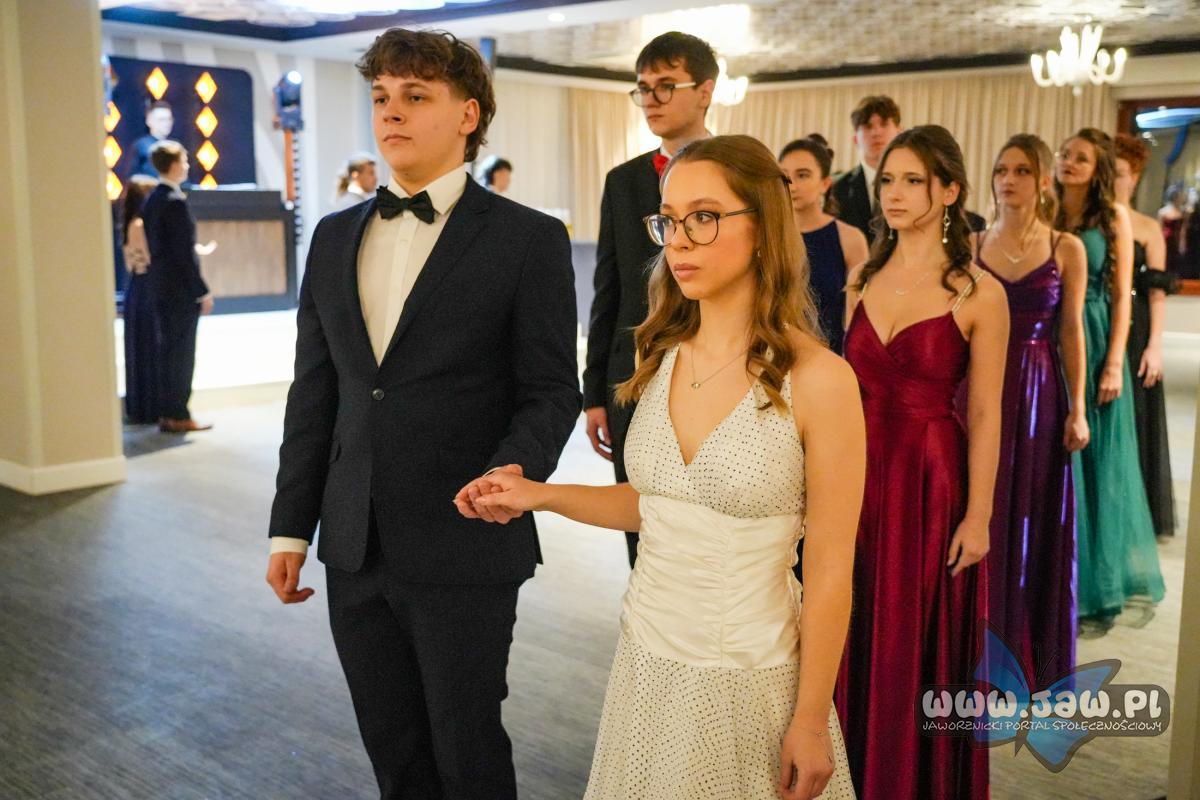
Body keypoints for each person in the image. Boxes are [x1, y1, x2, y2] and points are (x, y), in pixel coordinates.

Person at [461, 134, 861, 800]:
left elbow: (829, 570)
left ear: (763, 226)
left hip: (749, 678)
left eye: (704, 217)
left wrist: (812, 719)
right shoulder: (662, 355)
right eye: (670, 220)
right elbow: (657, 505)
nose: (679, 241)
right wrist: (538, 494)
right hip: (646, 663)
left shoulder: (820, 379)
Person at [265, 29, 580, 800]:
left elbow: (550, 388)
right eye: (381, 97)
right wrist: (290, 527)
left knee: (467, 747)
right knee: (392, 748)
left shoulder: (529, 239)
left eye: (415, 96)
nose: (391, 113)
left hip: (464, 537)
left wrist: (513, 471)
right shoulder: (332, 238)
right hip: (353, 540)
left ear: (468, 114)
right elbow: (316, 393)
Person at [837, 125, 1007, 800]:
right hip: (856, 474)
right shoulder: (861, 279)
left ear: (950, 191)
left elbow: (986, 412)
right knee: (849, 622)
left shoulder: (978, 292)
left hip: (931, 481)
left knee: (916, 636)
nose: (895, 193)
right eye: (888, 180)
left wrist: (980, 516)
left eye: (913, 180)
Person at [583, 31, 718, 568]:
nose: (652, 100)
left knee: (705, 522)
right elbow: (608, 288)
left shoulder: (739, 171)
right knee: (639, 524)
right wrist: (595, 391)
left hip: (713, 368)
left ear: (705, 91)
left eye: (666, 85)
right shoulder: (623, 181)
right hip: (633, 374)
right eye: (643, 88)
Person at [975, 134, 1088, 684]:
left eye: (1021, 170)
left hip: (1041, 390)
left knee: (1037, 516)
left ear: (1043, 179)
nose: (1008, 180)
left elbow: (1071, 332)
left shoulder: (1067, 247)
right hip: (982, 386)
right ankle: (979, 641)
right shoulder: (971, 244)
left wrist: (1079, 406)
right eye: (1002, 170)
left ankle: (1031, 652)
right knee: (986, 509)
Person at [1055, 128, 1165, 630]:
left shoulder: (1113, 216)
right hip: (1054, 336)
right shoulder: (1046, 212)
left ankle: (1096, 580)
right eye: (1064, 154)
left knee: (1098, 460)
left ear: (1097, 168)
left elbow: (1123, 295)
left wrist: (1115, 361)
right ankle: (1058, 570)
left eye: (1080, 157)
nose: (1069, 162)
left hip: (1098, 337)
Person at [1115, 134, 1178, 539]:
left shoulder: (1148, 227)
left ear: (1135, 177)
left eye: (1120, 173)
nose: (1113, 180)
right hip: (1099, 319)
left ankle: (1133, 510)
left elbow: (1157, 294)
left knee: (1136, 413)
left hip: (1136, 327)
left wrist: (1155, 346)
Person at [140, 141, 214, 433]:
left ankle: (168, 413)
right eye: (183, 161)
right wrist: (202, 290)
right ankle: (180, 414)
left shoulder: (153, 199)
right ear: (172, 165)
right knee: (182, 354)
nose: (186, 166)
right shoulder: (174, 202)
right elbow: (183, 255)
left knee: (168, 351)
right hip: (180, 291)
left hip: (160, 286)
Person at [778, 134, 869, 354]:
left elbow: (860, 315)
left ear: (825, 183)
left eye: (803, 175)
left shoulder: (850, 238)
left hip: (831, 354)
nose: (792, 185)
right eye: (785, 176)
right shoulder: (766, 236)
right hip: (774, 353)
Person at [120, 174, 162, 425]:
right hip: (145, 286)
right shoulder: (139, 225)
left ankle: (142, 406)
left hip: (137, 286)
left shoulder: (131, 223)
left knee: (141, 347)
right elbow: (150, 257)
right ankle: (148, 407)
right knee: (147, 346)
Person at [831, 95, 901, 242]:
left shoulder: (915, 185)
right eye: (868, 126)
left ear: (899, 133)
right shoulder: (836, 189)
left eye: (884, 124)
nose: (876, 133)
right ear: (855, 139)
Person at [129, 101, 174, 178]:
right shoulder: (143, 146)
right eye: (161, 119)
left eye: (169, 119)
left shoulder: (174, 146)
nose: (166, 123)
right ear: (149, 121)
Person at [1158, 183, 1190, 278]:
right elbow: (1160, 229)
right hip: (1165, 240)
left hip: (1176, 241)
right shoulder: (1163, 212)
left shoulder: (1183, 213)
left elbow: (1183, 231)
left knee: (1175, 262)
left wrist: (1182, 244)